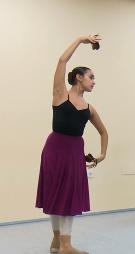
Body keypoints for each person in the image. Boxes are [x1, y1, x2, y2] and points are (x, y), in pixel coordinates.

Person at [36, 35, 108, 254]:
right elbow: (61, 61)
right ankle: (59, 240)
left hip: (75, 151)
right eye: (91, 77)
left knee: (68, 195)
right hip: (55, 149)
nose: (94, 81)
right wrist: (80, 40)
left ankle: (63, 243)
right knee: (55, 194)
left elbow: (104, 131)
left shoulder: (89, 108)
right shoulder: (60, 95)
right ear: (78, 78)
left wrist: (102, 154)